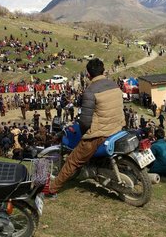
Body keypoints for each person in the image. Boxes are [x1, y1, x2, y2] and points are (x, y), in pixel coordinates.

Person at [50, 58, 125, 193]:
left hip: (100, 133)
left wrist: (85, 134)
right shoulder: (114, 85)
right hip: (118, 127)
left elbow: (84, 121)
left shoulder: (90, 91)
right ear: (103, 71)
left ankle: (51, 189)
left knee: (73, 161)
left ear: (88, 75)